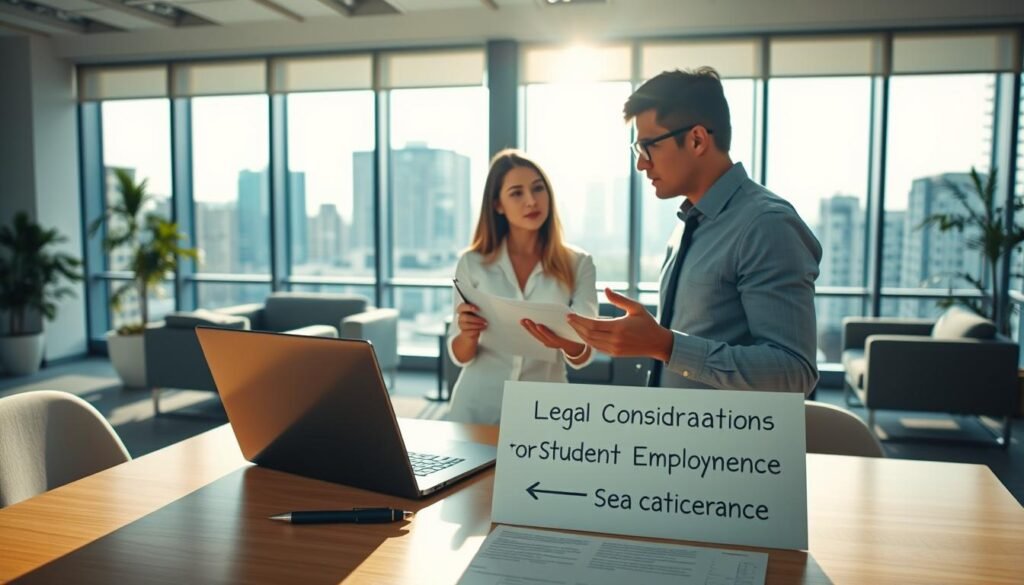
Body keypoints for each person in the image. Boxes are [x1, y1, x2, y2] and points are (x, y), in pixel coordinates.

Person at [567, 67, 822, 396]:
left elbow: (793, 372)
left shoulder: (766, 225)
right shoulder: (689, 224)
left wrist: (666, 346)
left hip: (730, 446)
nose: (641, 164)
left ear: (697, 140)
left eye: (648, 146)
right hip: (681, 441)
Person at [446, 149, 598, 424]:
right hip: (477, 408)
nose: (531, 201)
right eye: (517, 193)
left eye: (538, 189)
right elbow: (459, 355)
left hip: (545, 413)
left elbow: (585, 352)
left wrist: (563, 343)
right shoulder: (472, 263)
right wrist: (468, 334)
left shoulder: (579, 263)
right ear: (498, 205)